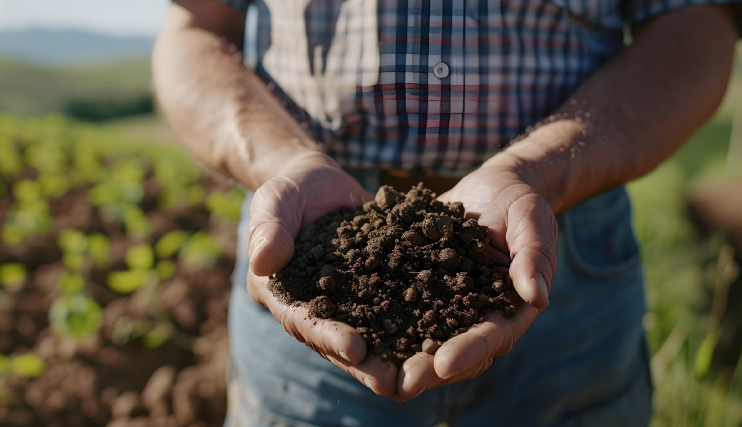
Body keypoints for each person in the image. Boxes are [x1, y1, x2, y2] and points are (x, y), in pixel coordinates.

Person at [153, 1, 739, 425]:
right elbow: (196, 26)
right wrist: (283, 161)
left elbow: (696, 25)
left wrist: (537, 171)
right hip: (305, 230)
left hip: (563, 236)